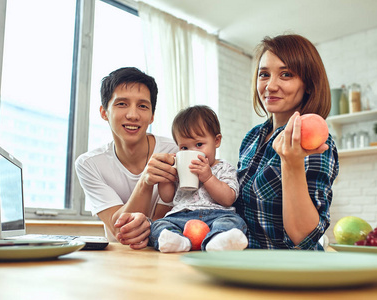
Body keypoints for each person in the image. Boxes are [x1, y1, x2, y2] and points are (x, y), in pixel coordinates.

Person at [234, 34, 339, 250]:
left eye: (286, 74)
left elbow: (304, 237)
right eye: (264, 74)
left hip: (290, 272)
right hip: (246, 265)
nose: (270, 86)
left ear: (308, 84)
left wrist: (292, 164)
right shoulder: (252, 137)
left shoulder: (315, 141)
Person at [75, 67, 179, 249]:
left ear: (152, 116)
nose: (133, 115)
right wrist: (145, 182)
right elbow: (120, 229)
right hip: (119, 257)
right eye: (122, 104)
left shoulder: (175, 151)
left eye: (143, 106)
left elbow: (159, 225)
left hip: (164, 252)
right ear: (104, 112)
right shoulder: (89, 164)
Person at [149, 105, 248, 252]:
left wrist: (208, 177)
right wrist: (167, 178)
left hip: (217, 216)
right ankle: (177, 241)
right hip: (181, 216)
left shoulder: (224, 167)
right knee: (158, 225)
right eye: (184, 148)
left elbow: (228, 199)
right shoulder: (180, 167)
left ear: (216, 141)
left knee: (234, 222)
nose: (192, 152)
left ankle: (218, 240)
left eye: (199, 144)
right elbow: (167, 197)